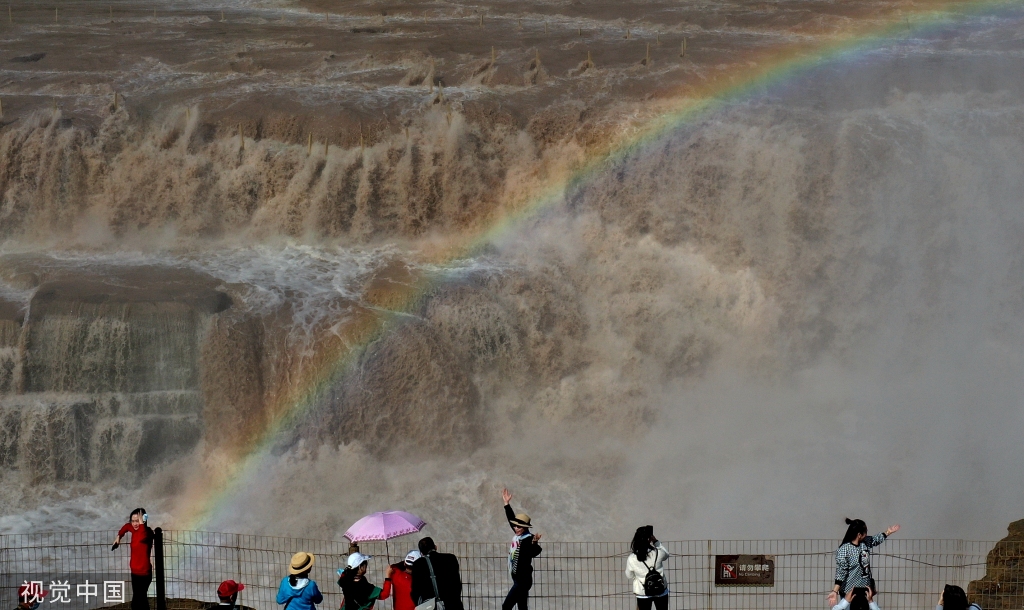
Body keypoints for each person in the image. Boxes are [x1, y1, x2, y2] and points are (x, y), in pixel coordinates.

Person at [828, 518, 900, 606]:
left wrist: (888, 532)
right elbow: (841, 572)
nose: (866, 534)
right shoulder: (844, 549)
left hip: (864, 591)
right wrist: (834, 591)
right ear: (859, 534)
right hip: (849, 593)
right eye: (865, 532)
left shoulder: (864, 543)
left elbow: (875, 539)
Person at [500, 488, 542, 610]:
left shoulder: (528, 539)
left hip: (523, 581)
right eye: (516, 526)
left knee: (506, 606)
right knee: (522, 607)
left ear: (525, 527)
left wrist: (534, 542)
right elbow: (510, 518)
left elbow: (535, 552)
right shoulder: (519, 534)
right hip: (517, 579)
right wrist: (506, 504)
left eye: (519, 526)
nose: (516, 528)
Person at [112, 508, 155, 610]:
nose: (135, 524)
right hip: (134, 572)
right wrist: (119, 536)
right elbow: (127, 527)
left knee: (140, 601)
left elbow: (142, 532)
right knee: (138, 600)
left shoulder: (147, 533)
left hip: (144, 574)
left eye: (137, 521)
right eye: (133, 521)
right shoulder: (134, 529)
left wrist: (142, 522)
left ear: (143, 520)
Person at [410, 537, 464, 610]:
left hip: (431, 606)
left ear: (421, 553)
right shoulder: (451, 558)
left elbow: (415, 591)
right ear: (435, 547)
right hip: (453, 604)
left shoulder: (418, 564)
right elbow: (456, 582)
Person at [625, 525, 670, 610]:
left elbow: (629, 575)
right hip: (660, 590)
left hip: (643, 592)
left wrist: (640, 578)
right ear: (649, 539)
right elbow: (667, 554)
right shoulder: (658, 553)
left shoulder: (632, 558)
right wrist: (656, 541)